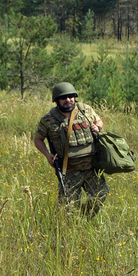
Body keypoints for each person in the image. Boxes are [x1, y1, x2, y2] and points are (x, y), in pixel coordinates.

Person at [34, 82, 108, 216]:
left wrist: (98, 127)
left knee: (100, 195)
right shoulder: (48, 120)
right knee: (68, 208)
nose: (68, 100)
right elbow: (38, 139)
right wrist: (47, 154)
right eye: (64, 98)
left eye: (71, 97)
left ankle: (85, 219)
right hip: (69, 171)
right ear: (56, 100)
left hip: (91, 167)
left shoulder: (85, 110)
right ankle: (71, 226)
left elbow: (99, 121)